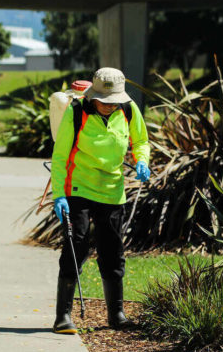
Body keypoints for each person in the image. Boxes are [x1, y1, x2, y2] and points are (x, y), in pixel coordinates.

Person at [50, 67, 151, 334]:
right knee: (77, 245)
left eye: (114, 101)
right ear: (93, 96)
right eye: (105, 101)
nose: (109, 106)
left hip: (112, 190)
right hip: (79, 187)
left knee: (113, 250)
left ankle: (116, 314)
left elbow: (141, 140)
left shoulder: (128, 111)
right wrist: (59, 194)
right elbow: (60, 157)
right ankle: (63, 316)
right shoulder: (75, 113)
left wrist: (142, 160)